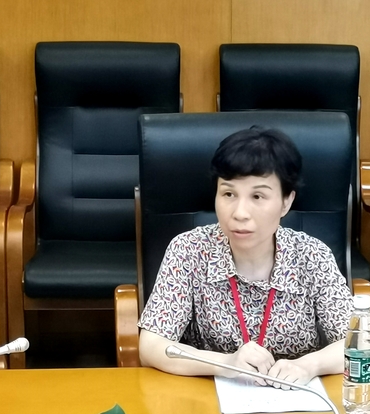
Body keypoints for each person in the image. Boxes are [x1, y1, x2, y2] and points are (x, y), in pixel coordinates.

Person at [138, 126, 356, 389]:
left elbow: (359, 342)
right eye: (228, 194)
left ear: (286, 202)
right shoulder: (189, 250)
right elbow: (151, 346)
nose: (240, 213)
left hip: (298, 399)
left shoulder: (311, 255)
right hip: (207, 400)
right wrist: (226, 363)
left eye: (257, 196)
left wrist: (309, 365)